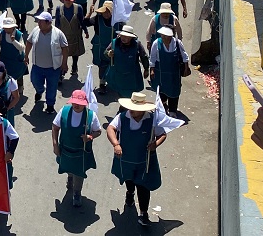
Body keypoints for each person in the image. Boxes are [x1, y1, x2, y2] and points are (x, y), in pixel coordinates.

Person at [106, 92, 168, 227]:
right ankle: (130, 192)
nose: (131, 111)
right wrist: (116, 144)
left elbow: (162, 134)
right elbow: (110, 128)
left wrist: (155, 144)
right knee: (129, 179)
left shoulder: (152, 119)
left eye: (135, 109)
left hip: (144, 161)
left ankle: (144, 212)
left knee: (143, 186)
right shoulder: (122, 117)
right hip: (126, 158)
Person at [52, 90, 102, 208]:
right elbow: (55, 127)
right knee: (69, 169)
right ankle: (70, 177)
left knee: (78, 173)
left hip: (81, 152)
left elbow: (98, 131)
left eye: (79, 103)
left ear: (85, 103)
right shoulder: (64, 111)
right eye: (74, 103)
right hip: (66, 148)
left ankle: (77, 193)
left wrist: (90, 136)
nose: (76, 105)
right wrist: (55, 145)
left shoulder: (91, 115)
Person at [26, 12, 70, 113]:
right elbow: (29, 42)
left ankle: (50, 105)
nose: (38, 23)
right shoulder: (36, 30)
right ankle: (40, 91)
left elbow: (65, 48)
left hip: (53, 68)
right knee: (35, 81)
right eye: (39, 21)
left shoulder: (58, 34)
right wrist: (26, 56)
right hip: (37, 66)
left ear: (48, 23)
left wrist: (64, 63)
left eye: (41, 22)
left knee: (52, 87)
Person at [149, 26, 191, 116]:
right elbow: (152, 57)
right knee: (161, 91)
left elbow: (184, 56)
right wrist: (152, 69)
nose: (163, 38)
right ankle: (163, 107)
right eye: (162, 36)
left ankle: (172, 110)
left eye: (166, 36)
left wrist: (186, 68)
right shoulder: (156, 43)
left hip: (174, 73)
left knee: (174, 91)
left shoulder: (177, 43)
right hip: (161, 72)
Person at [105, 26, 149, 98]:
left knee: (131, 96)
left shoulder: (137, 44)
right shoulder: (114, 42)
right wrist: (108, 54)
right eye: (122, 36)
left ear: (131, 37)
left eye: (126, 37)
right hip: (118, 75)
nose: (123, 38)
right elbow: (106, 52)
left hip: (132, 76)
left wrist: (146, 69)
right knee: (121, 95)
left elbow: (144, 57)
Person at [54, 0, 88, 76]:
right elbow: (57, 23)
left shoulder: (78, 8)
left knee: (75, 52)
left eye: (70, 0)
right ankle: (62, 72)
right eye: (66, 0)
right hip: (63, 36)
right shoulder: (59, 9)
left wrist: (86, 31)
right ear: (63, 0)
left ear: (73, 0)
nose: (68, 2)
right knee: (62, 54)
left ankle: (74, 66)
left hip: (75, 35)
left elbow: (81, 21)